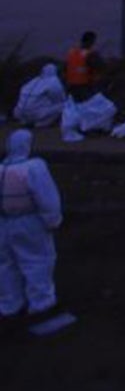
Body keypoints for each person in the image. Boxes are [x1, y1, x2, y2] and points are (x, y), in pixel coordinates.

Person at [0, 129, 64, 321]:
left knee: (6, 264)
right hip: (29, 221)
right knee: (37, 260)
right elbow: (47, 198)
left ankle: (10, 304)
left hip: (3, 222)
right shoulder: (34, 168)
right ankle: (41, 304)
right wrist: (53, 220)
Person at [13, 65, 65, 129]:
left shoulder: (33, 80)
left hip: (19, 113)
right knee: (64, 105)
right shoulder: (53, 81)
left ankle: (26, 121)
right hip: (35, 114)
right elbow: (59, 98)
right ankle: (41, 123)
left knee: (37, 103)